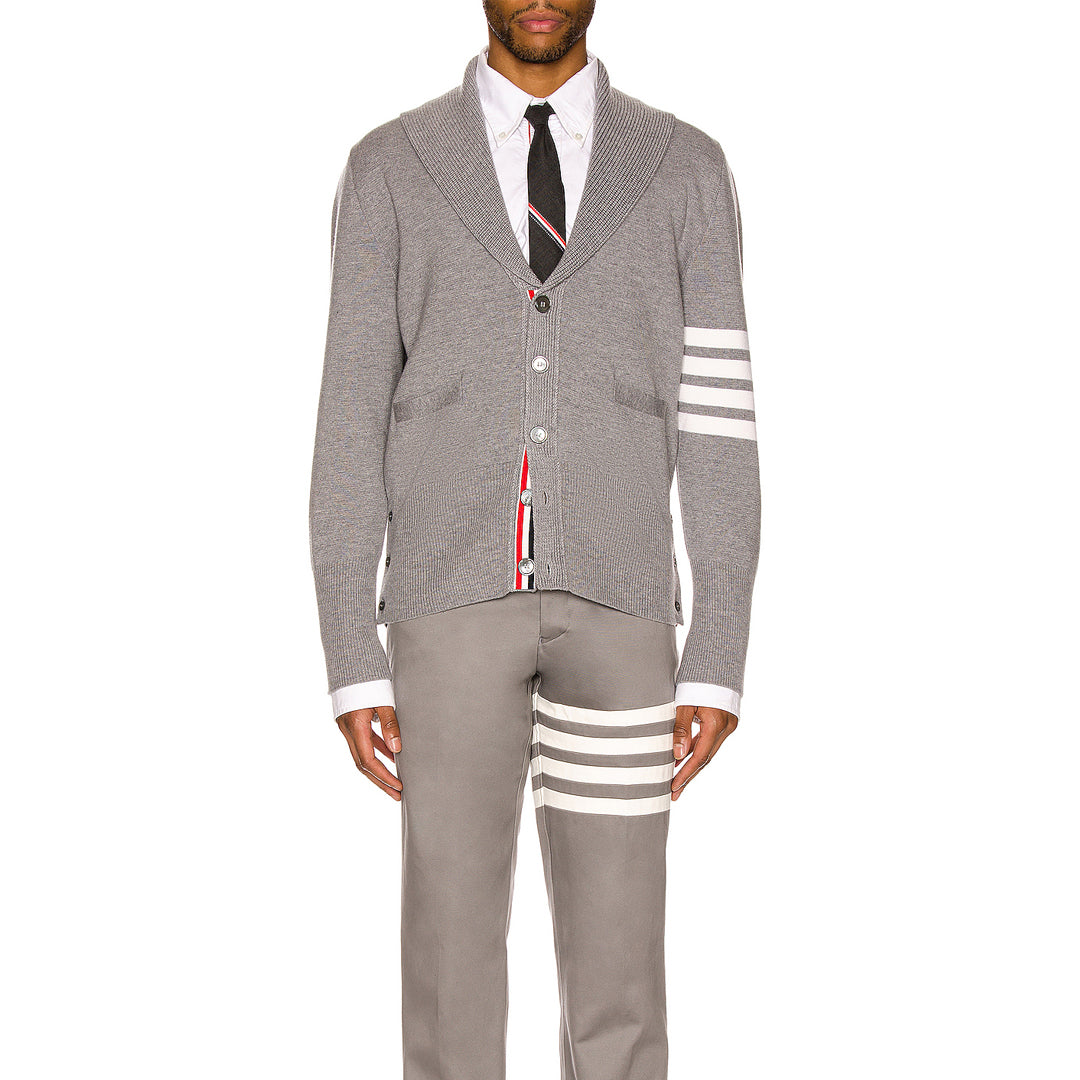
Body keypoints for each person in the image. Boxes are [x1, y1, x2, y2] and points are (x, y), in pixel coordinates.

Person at [309, 3, 761, 1077]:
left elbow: (718, 413)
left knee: (620, 976)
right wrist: (351, 651)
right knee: (450, 960)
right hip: (446, 607)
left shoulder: (686, 168)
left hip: (622, 610)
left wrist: (719, 649)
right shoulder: (391, 166)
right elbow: (350, 414)